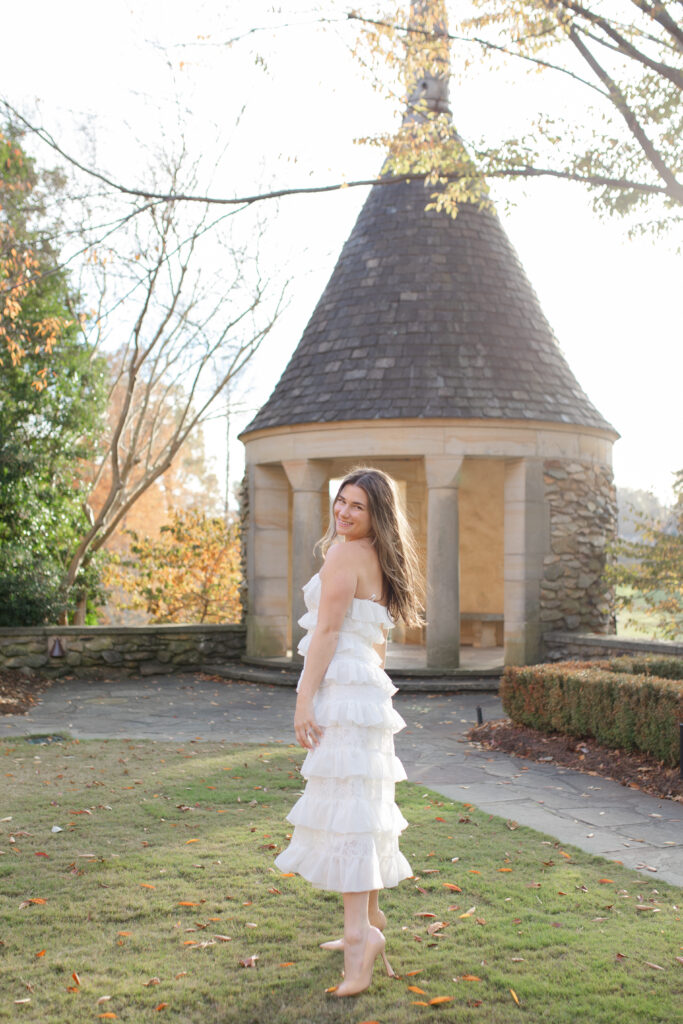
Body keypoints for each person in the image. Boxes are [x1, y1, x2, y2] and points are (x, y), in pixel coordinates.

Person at [274, 466, 424, 997]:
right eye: (341, 502)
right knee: (362, 801)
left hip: (345, 685)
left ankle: (359, 940)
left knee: (352, 810)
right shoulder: (380, 557)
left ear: (376, 513)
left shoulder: (342, 555)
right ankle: (372, 922)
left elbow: (330, 631)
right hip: (367, 687)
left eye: (357, 506)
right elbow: (376, 639)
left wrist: (303, 699)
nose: (343, 512)